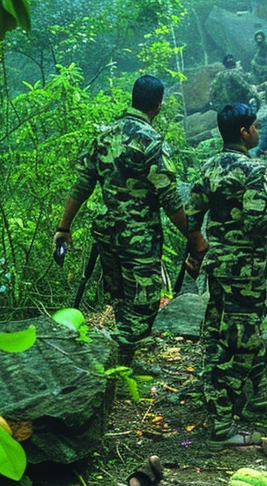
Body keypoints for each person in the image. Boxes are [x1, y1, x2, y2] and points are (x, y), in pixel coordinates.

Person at [54, 75, 207, 371]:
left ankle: (124, 363)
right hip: (139, 237)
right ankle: (118, 364)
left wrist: (64, 227)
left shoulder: (103, 135)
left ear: (134, 98)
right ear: (158, 105)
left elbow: (81, 187)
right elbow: (170, 199)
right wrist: (193, 236)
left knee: (121, 296)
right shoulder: (150, 141)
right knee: (146, 301)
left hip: (107, 231)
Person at [185, 103, 267, 448]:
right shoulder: (254, 170)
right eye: (255, 126)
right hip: (245, 271)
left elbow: (191, 217)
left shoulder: (208, 167)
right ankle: (222, 419)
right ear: (245, 132)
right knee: (244, 342)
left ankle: (258, 398)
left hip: (217, 267)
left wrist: (197, 251)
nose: (259, 131)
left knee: (224, 334)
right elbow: (256, 222)